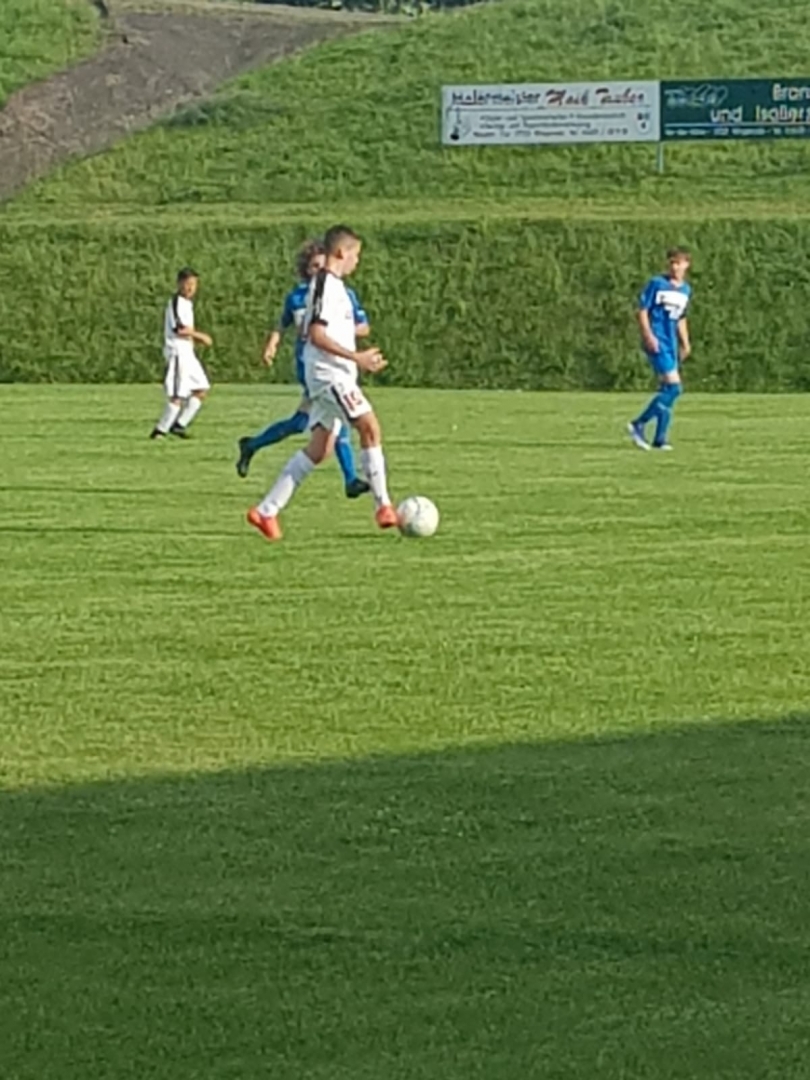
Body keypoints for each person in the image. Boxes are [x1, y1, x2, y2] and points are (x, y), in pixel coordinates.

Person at [247, 225, 398, 542]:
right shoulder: (326, 286)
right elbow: (316, 335)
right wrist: (356, 358)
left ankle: (266, 511)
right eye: (356, 254)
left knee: (320, 449)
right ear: (341, 252)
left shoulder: (334, 287)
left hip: (331, 375)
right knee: (369, 427)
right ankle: (383, 506)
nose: (357, 261)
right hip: (330, 376)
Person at [235, 239, 370, 499]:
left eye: (322, 265)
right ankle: (351, 479)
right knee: (338, 414)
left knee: (300, 423)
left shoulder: (342, 293)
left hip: (334, 364)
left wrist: (338, 329)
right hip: (312, 367)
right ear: (306, 269)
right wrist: (272, 344)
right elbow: (282, 324)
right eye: (313, 266)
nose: (319, 270)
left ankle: (252, 444)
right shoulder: (297, 297)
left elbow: (364, 326)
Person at [627, 247, 692, 451]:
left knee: (667, 390)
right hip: (658, 340)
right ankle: (638, 423)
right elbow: (642, 310)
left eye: (678, 263)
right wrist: (648, 335)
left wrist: (685, 343)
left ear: (686, 265)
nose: (674, 267)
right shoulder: (657, 283)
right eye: (671, 262)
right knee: (674, 388)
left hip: (670, 342)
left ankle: (660, 438)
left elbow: (680, 317)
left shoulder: (685, 290)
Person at [150, 267, 212, 439]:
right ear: (179, 284)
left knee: (201, 389)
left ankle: (179, 425)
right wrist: (201, 336)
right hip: (178, 352)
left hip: (187, 353)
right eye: (188, 284)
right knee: (177, 395)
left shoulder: (187, 304)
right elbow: (179, 329)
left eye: (194, 284)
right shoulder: (176, 302)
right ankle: (160, 431)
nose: (191, 288)